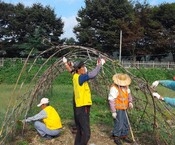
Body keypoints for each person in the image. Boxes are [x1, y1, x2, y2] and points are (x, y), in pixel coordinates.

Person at [65, 57, 105, 145]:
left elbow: (70, 70)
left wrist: (66, 64)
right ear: (78, 70)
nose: (84, 68)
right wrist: (99, 65)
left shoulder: (75, 75)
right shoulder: (80, 78)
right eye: (82, 67)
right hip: (83, 108)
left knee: (80, 130)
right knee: (86, 133)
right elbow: (92, 74)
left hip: (78, 107)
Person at [108, 73, 133, 145]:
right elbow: (111, 100)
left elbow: (129, 95)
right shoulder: (114, 88)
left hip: (125, 107)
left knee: (125, 122)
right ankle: (116, 136)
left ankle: (124, 135)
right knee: (119, 123)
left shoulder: (126, 87)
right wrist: (113, 111)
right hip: (118, 108)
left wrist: (130, 102)